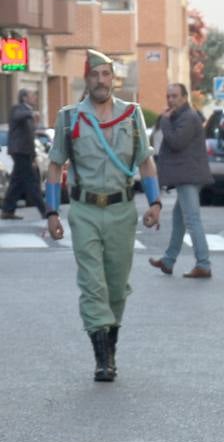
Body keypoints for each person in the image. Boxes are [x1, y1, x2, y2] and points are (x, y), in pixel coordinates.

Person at [44, 49, 162, 381]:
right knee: (92, 284)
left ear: (113, 78)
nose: (100, 80)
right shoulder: (70, 118)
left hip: (122, 210)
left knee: (116, 286)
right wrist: (52, 211)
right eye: (94, 75)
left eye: (106, 74)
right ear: (87, 78)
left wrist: (155, 202)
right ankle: (102, 359)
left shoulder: (131, 115)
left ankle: (110, 345)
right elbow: (55, 165)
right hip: (84, 211)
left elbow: (145, 161)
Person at [148, 82, 213, 279]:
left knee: (192, 220)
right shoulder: (180, 116)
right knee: (179, 220)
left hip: (189, 177)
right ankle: (168, 261)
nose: (170, 100)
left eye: (175, 96)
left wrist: (165, 121)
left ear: (184, 98)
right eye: (168, 96)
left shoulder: (189, 117)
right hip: (186, 175)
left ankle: (203, 264)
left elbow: (176, 142)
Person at [2, 89, 46, 219]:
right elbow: (18, 116)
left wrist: (33, 156)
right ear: (24, 98)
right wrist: (31, 113)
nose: (35, 97)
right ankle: (45, 211)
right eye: (32, 95)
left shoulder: (27, 113)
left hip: (26, 152)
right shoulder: (18, 109)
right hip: (19, 151)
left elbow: (29, 137)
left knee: (17, 182)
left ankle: (7, 210)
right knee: (31, 181)